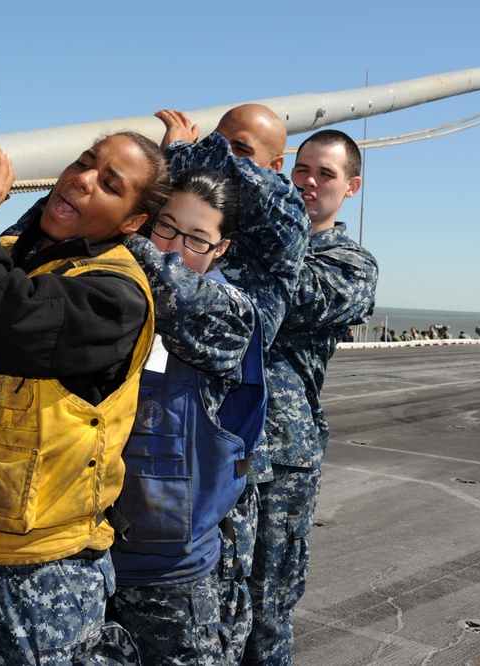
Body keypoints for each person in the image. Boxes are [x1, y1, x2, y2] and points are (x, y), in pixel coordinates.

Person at [0, 132, 170, 663]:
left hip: (40, 573)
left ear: (132, 222)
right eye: (84, 163)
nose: (83, 179)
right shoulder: (14, 255)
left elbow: (8, 321)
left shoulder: (115, 295)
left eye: (109, 184)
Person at [154, 105, 311, 659]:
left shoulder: (279, 226)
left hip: (214, 481)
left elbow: (264, 194)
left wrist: (183, 151)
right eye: (222, 144)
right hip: (150, 474)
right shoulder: (182, 217)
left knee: (231, 627)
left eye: (244, 152)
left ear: (277, 164)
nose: (227, 160)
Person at [226, 129, 378, 666]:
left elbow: (290, 292)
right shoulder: (240, 240)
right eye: (301, 170)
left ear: (351, 187)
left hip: (282, 460)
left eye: (326, 174)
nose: (309, 183)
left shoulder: (350, 265)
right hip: (212, 446)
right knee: (207, 602)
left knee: (266, 609)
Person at [106, 166, 268, 664]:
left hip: (174, 577)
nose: (175, 249)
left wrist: (112, 225)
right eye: (166, 227)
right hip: (94, 562)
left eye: (197, 239)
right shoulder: (113, 294)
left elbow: (174, 291)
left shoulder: (226, 312)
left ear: (222, 249)